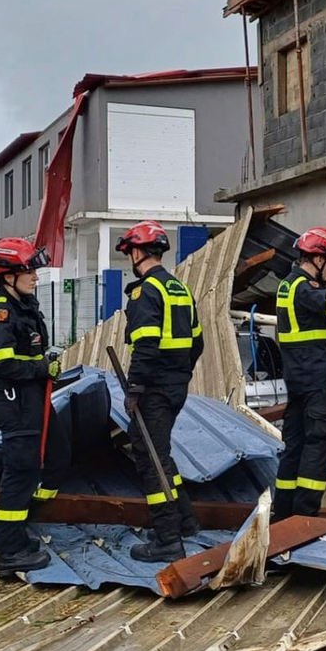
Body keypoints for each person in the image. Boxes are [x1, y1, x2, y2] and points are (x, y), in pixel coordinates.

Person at [116, 221, 204, 563]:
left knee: (150, 459)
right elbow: (197, 342)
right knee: (161, 454)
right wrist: (180, 375)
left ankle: (167, 539)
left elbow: (146, 345)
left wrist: (135, 388)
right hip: (175, 386)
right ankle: (185, 521)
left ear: (137, 252)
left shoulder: (145, 292)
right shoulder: (179, 289)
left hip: (153, 389)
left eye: (130, 252)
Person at [0, 238, 63, 577]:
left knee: (57, 453)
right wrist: (42, 368)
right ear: (8, 275)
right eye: (29, 272)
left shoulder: (24, 306)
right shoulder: (1, 311)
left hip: (33, 398)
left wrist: (45, 364)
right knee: (20, 472)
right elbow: (0, 363)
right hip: (16, 402)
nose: (36, 277)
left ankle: (24, 527)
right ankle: (9, 551)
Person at [273, 228, 326, 520]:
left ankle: (283, 517)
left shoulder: (288, 284)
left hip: (296, 381)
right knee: (318, 447)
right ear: (319, 259)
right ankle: (305, 520)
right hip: (315, 381)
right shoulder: (304, 289)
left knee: (294, 448)